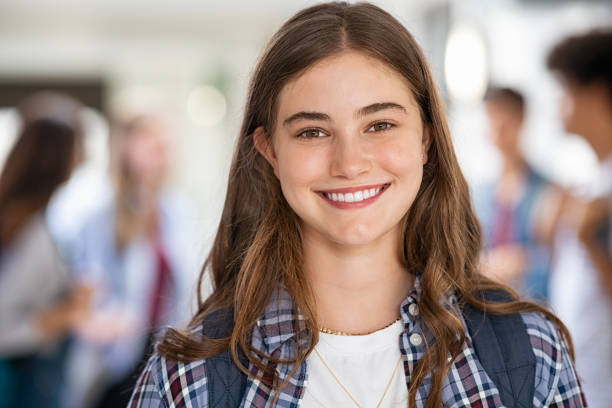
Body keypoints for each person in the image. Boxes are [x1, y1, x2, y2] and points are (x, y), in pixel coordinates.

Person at [130, 3, 585, 407]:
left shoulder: (530, 352)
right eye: (312, 131)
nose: (349, 163)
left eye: (380, 124)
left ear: (425, 137)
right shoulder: (188, 378)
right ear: (269, 150)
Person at [66, 114, 198, 408]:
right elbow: (86, 288)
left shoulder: (175, 210)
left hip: (162, 353)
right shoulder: (99, 213)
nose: (162, 145)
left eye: (164, 138)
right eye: (149, 137)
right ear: (125, 147)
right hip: (112, 361)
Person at [0, 92, 92, 408]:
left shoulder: (32, 219)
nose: (86, 156)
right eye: (80, 144)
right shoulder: (31, 232)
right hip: (24, 385)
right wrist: (62, 315)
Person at [546, 28, 612, 408]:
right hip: (580, 380)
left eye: (567, 91)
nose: (559, 105)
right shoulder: (591, 182)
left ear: (598, 94)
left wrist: (587, 240)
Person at [475, 87, 553, 302]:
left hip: (534, 306)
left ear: (521, 120)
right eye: (491, 117)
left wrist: (522, 260)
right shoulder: (479, 193)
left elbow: (557, 262)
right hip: (489, 306)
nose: (497, 126)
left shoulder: (548, 191)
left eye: (504, 116)